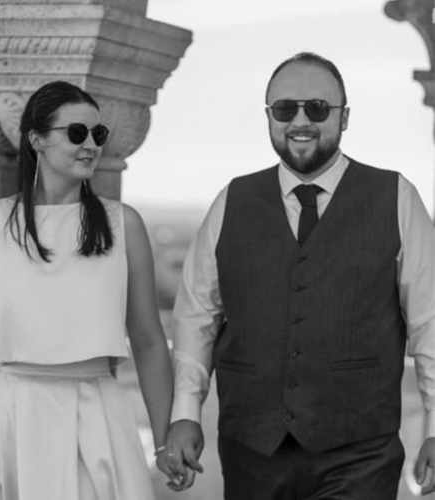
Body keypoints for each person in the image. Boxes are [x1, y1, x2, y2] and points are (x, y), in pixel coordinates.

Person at [163, 52, 435, 499]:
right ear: (269, 117)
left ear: (344, 117)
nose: (301, 121)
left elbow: (429, 322)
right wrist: (185, 412)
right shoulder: (231, 200)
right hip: (251, 449)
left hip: (360, 453)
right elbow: (196, 317)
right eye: (285, 109)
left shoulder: (397, 198)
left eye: (318, 108)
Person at [0, 80, 175, 500]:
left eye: (98, 134)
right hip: (10, 417)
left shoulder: (125, 225)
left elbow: (149, 342)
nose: (91, 145)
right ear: (37, 140)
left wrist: (163, 441)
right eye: (77, 133)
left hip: (98, 416)